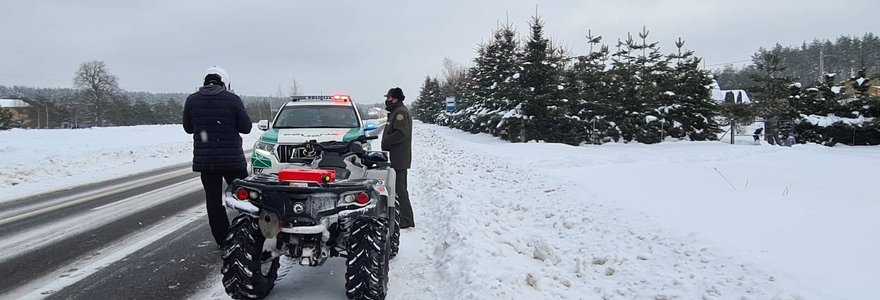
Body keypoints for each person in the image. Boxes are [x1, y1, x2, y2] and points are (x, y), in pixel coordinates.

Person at [182, 66, 252, 248]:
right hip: (232, 161)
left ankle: (223, 240)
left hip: (207, 163)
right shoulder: (232, 99)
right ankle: (249, 233)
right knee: (246, 198)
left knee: (213, 202)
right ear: (224, 82)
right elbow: (246, 127)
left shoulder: (192, 100)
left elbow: (188, 128)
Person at [382, 87, 414, 229]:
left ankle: (407, 220)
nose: (387, 100)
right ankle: (401, 216)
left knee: (400, 189)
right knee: (398, 188)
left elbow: (401, 133)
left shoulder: (400, 112)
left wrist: (387, 141)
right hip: (397, 155)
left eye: (389, 98)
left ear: (395, 99)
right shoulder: (396, 111)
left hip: (400, 157)